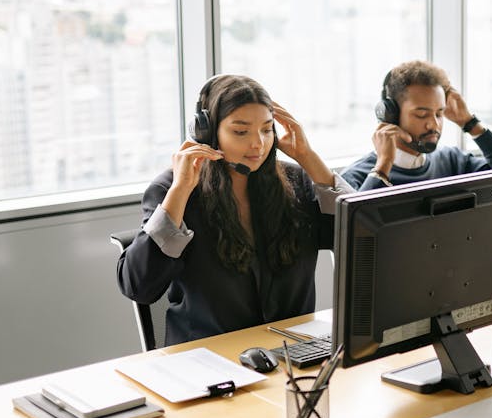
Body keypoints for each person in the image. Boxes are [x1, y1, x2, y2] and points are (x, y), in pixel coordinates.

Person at [117, 75, 353, 345]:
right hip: (208, 359)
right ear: (208, 133)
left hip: (290, 354)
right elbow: (139, 287)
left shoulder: (296, 182)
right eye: (241, 132)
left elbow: (357, 240)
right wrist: (179, 192)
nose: (258, 144)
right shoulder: (173, 189)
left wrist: (309, 158)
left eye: (266, 130)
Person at [341, 60, 492, 191]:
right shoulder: (356, 177)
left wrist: (471, 124)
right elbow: (357, 237)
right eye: (422, 114)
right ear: (391, 115)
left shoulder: (451, 161)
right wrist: (383, 167)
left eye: (439, 113)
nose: (434, 124)